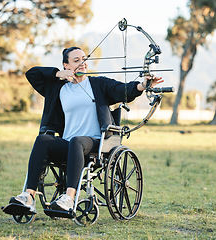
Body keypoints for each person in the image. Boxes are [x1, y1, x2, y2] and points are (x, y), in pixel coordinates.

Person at [9, 46, 163, 213]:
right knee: (42, 140)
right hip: (69, 144)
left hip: (96, 144)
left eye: (84, 59)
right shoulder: (58, 88)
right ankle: (28, 196)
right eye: (76, 61)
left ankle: (68, 198)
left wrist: (142, 85)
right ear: (66, 65)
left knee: (77, 141)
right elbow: (32, 74)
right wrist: (58, 74)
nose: (82, 63)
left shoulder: (98, 84)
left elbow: (123, 91)